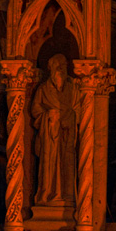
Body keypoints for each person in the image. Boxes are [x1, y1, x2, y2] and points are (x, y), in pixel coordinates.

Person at [30, 54, 78, 209]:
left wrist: (69, 118)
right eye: (57, 66)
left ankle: (68, 195)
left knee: (67, 164)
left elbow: (81, 109)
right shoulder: (43, 89)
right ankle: (47, 194)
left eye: (63, 66)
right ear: (50, 69)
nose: (60, 70)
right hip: (49, 135)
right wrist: (48, 116)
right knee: (49, 166)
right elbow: (35, 110)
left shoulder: (73, 89)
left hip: (67, 134)